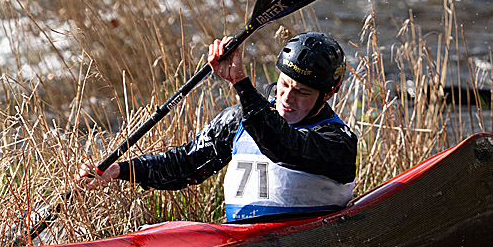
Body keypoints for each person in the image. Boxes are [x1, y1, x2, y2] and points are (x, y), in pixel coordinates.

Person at [79, 32, 357, 223]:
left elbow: (283, 146)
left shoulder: (337, 141)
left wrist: (240, 82)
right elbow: (186, 165)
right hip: (240, 245)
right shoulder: (240, 120)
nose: (287, 98)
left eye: (302, 92)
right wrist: (122, 170)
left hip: (304, 242)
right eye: (284, 84)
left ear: (330, 92)